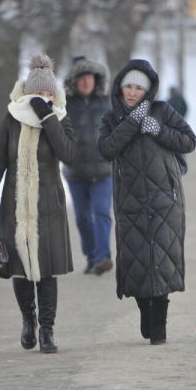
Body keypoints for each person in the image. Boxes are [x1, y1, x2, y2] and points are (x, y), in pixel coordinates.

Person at [0, 53, 76, 354]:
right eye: (37, 93)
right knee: (19, 269)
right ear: (26, 92)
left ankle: (47, 330)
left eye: (48, 93)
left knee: (46, 270)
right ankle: (27, 320)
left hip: (48, 206)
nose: (43, 97)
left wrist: (47, 118)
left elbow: (69, 153)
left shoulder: (60, 118)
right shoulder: (11, 119)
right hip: (16, 206)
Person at [97, 59, 196, 345]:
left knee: (161, 262)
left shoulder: (162, 111)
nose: (132, 92)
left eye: (138, 88)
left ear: (148, 90)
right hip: (130, 201)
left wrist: (157, 129)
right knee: (137, 262)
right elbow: (106, 149)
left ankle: (160, 328)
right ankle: (144, 308)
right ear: (120, 87)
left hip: (165, 198)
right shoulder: (111, 118)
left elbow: (189, 141)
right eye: (128, 86)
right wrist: (133, 122)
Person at [62, 56, 113, 275]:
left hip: (104, 171)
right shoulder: (63, 105)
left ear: (96, 80)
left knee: (101, 212)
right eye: (82, 78)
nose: (86, 82)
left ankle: (103, 257)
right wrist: (67, 156)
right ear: (74, 81)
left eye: (90, 78)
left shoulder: (108, 102)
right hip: (76, 173)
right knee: (83, 218)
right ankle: (92, 255)